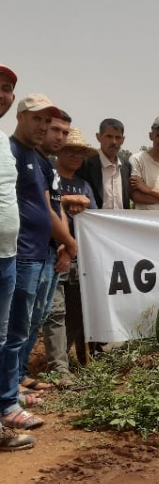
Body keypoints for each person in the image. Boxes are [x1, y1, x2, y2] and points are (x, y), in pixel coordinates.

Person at [1, 94, 76, 432]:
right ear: (20, 116)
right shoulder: (11, 151)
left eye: (50, 122)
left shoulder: (37, 158)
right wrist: (69, 242)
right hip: (22, 253)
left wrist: (60, 242)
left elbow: (50, 205)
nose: (46, 128)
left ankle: (13, 385)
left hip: (43, 250)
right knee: (14, 329)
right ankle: (8, 394)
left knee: (30, 323)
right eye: (40, 121)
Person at [18, 110, 73, 396]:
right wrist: (70, 242)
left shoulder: (47, 165)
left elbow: (57, 206)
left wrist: (63, 242)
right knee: (21, 320)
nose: (60, 137)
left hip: (49, 250)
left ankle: (18, 374)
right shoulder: (26, 159)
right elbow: (43, 210)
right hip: (28, 250)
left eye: (65, 132)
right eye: (55, 130)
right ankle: (11, 380)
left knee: (37, 317)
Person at [0, 64, 35, 450]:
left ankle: (4, 408)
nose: (2, 94)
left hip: (6, 255)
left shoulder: (2, 143)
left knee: (2, 337)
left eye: (7, 88)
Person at [43, 128, 98, 371]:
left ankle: (63, 359)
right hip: (52, 255)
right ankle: (58, 367)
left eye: (81, 152)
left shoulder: (83, 185)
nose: (76, 156)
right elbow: (41, 205)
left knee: (76, 312)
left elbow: (94, 218)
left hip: (78, 258)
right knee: (55, 311)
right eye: (71, 151)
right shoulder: (49, 177)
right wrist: (65, 201)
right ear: (60, 152)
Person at [77, 118, 131, 209]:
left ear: (123, 140)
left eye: (118, 137)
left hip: (122, 218)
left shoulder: (126, 167)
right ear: (98, 137)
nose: (114, 142)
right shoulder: (86, 164)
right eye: (109, 136)